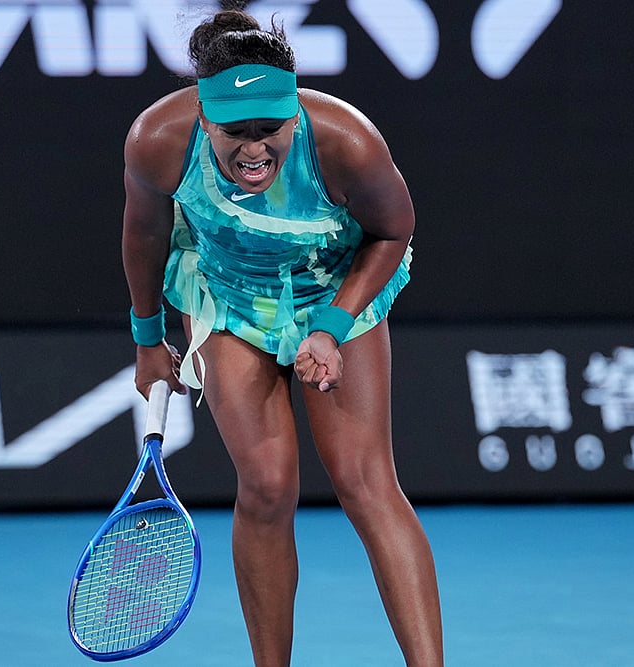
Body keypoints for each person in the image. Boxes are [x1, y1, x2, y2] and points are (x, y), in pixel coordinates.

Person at [121, 8, 443, 666]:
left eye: (270, 129)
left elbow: (393, 230)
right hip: (229, 298)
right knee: (265, 485)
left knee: (364, 480)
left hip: (335, 290)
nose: (254, 149)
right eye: (234, 131)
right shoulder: (156, 138)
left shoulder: (347, 141)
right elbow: (146, 234)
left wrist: (330, 328)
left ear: (295, 113)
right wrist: (148, 339)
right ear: (202, 115)